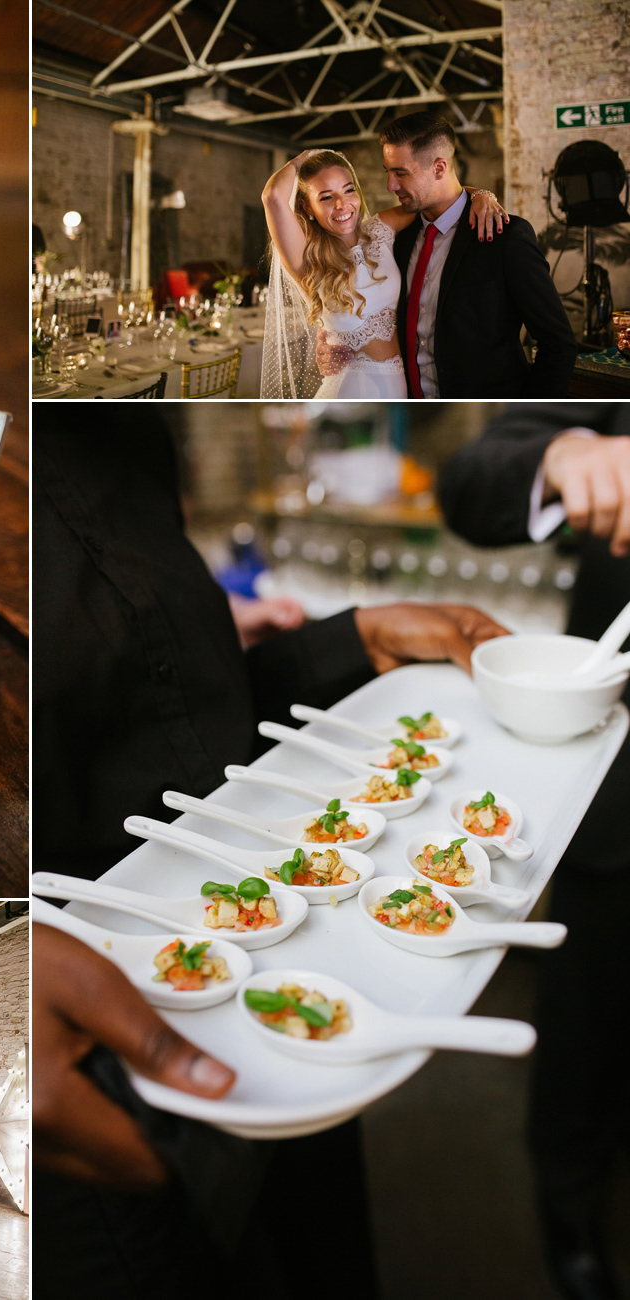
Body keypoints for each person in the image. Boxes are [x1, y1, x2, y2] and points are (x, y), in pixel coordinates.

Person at [34, 405, 509, 1294]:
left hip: (285, 997)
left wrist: (341, 646)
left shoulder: (118, 426)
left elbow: (161, 724)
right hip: (87, 1077)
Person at [438, 404, 630, 1300]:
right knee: (587, 1023)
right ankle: (568, 1211)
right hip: (619, 781)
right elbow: (473, 478)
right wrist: (565, 454)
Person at [261, 144, 507, 398]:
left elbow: (439, 197)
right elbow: (273, 197)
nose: (341, 204)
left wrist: (480, 194)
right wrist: (303, 158)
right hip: (350, 390)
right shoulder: (307, 260)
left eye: (348, 190)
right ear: (308, 207)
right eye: (325, 197)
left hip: (401, 387)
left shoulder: (381, 229)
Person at [376, 113, 576, 398]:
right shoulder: (398, 239)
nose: (390, 185)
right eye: (387, 171)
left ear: (439, 167)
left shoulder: (506, 237)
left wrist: (528, 412)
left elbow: (557, 342)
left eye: (401, 173)